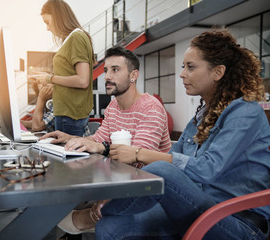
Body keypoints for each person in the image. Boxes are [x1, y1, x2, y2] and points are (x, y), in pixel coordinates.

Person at [71, 28, 270, 239]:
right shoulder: (202, 116)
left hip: (237, 222)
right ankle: (100, 213)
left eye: (190, 67)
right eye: (183, 66)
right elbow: (177, 156)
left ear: (218, 72)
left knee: (161, 170)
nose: (182, 74)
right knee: (110, 228)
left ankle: (92, 214)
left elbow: (206, 169)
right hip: (194, 206)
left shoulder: (245, 112)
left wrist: (138, 153)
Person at [42, 46, 172, 168]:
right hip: (122, 177)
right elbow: (97, 139)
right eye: (106, 70)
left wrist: (102, 148)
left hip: (149, 183)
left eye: (115, 70)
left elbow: (136, 162)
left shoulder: (150, 108)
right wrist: (70, 138)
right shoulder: (113, 106)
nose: (107, 76)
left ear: (133, 76)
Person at [31, 0, 95, 136]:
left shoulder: (76, 37)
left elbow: (83, 81)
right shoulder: (72, 39)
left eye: (47, 22)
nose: (47, 28)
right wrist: (48, 78)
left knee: (70, 156)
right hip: (66, 115)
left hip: (70, 116)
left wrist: (50, 77)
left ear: (58, 17)